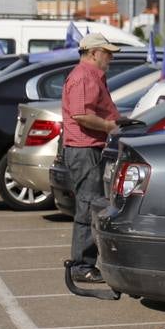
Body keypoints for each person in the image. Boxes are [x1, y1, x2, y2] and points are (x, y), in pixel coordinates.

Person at [61, 33, 121, 283]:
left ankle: (84, 263)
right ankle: (81, 265)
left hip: (88, 149)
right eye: (107, 52)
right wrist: (109, 126)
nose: (110, 57)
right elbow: (81, 115)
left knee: (91, 204)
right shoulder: (84, 76)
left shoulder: (90, 75)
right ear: (94, 52)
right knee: (88, 206)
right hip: (85, 150)